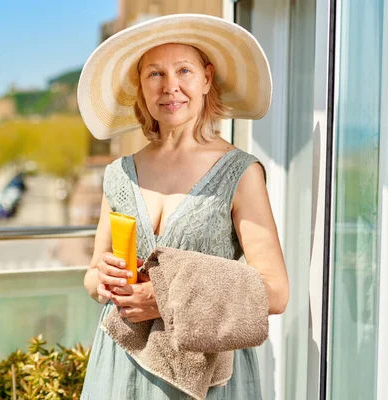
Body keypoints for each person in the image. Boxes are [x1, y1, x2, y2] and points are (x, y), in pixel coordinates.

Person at [76, 14, 289, 400]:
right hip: (120, 367)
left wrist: (166, 301)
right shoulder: (118, 174)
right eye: (154, 74)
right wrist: (102, 280)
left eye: (184, 70)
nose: (170, 86)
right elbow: (93, 277)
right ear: (140, 89)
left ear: (207, 79)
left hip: (206, 379)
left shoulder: (240, 173)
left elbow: (275, 292)